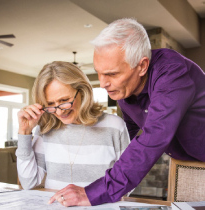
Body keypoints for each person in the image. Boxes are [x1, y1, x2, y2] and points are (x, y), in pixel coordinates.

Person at [49, 18, 205, 206]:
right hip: (186, 165)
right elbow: (128, 137)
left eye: (112, 74)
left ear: (142, 66)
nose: (103, 83)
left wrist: (94, 193)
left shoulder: (172, 73)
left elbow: (154, 135)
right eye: (99, 72)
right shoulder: (124, 89)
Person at [16, 61, 130, 206]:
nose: (59, 111)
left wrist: (90, 196)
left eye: (64, 100)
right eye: (50, 104)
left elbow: (126, 182)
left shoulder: (114, 126)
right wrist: (24, 133)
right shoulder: (45, 128)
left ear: (83, 91)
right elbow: (29, 183)